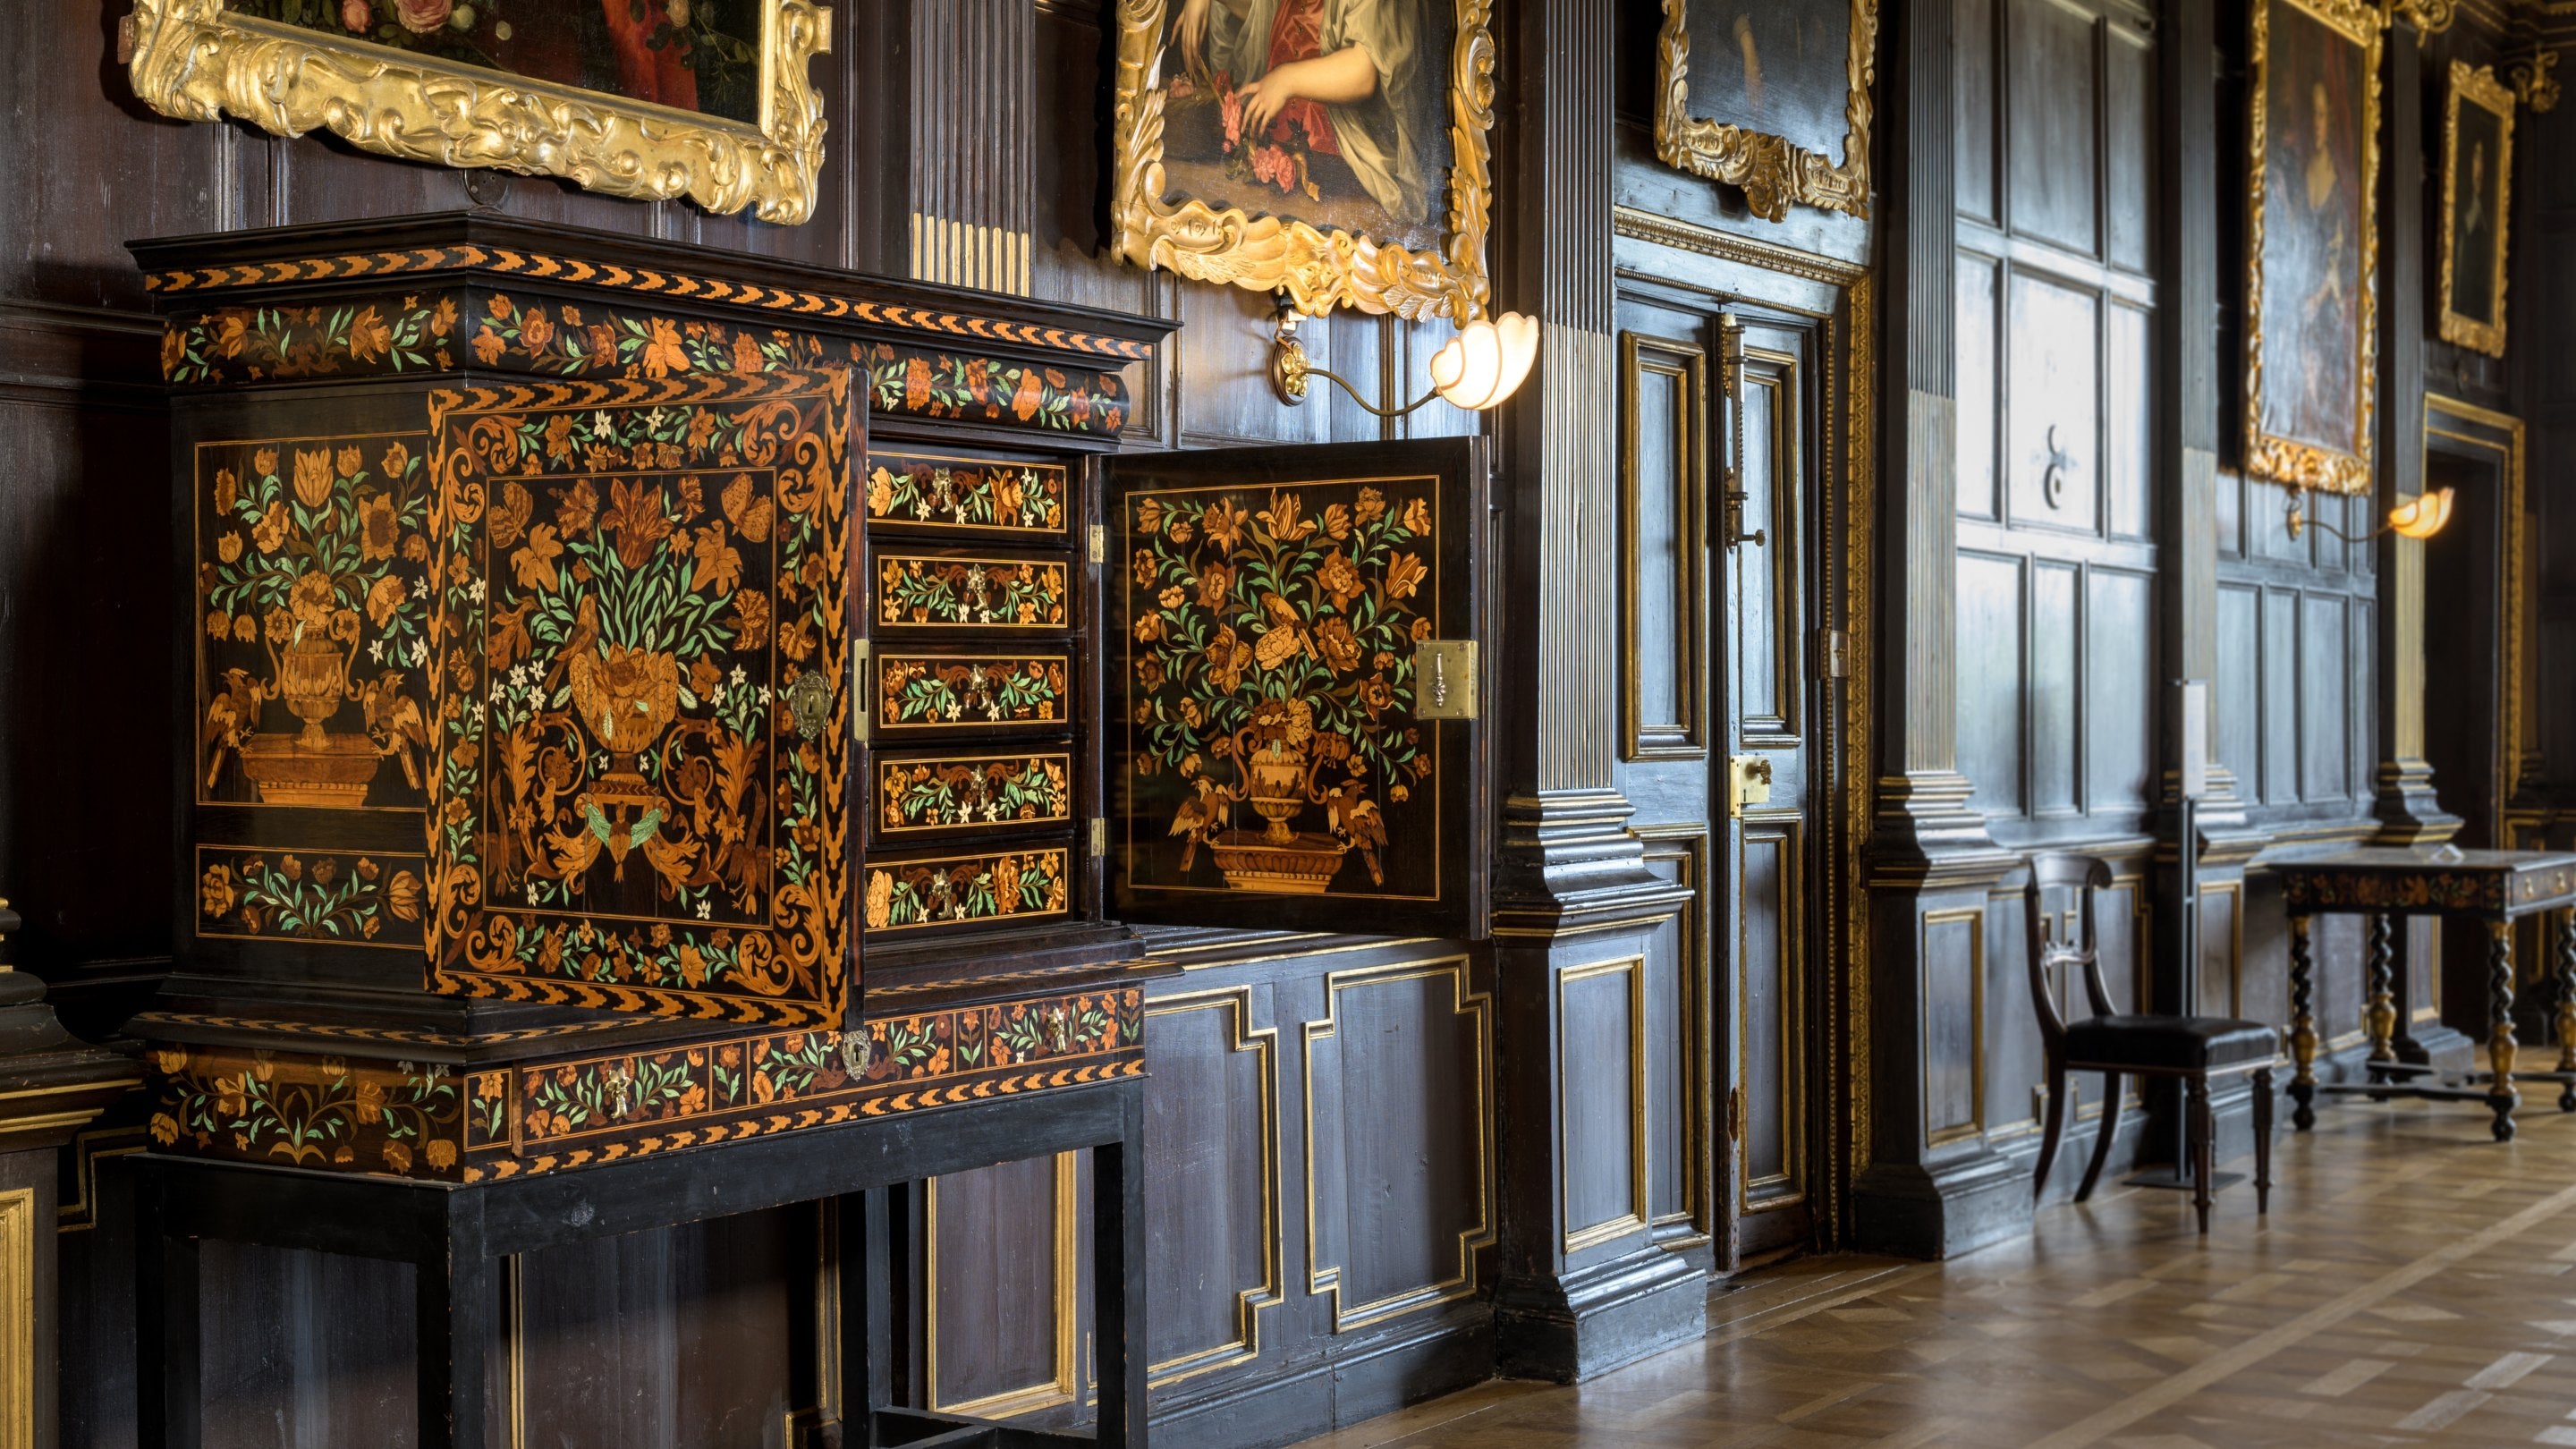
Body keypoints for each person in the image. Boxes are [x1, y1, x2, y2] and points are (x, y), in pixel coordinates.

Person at [1174, 0, 1447, 228]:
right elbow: (1259, 10)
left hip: (1343, 163)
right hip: (1280, 157)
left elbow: (1364, 73)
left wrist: (1286, 80)